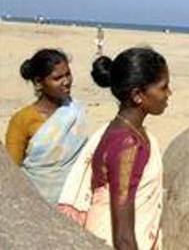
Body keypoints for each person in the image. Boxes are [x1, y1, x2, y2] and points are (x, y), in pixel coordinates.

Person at [58, 47, 170, 250]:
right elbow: (123, 236)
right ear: (138, 95)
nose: (168, 93)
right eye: (163, 87)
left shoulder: (123, 130)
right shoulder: (127, 144)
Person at [5, 48, 88, 204]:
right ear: (39, 82)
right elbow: (11, 170)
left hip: (74, 200)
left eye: (68, 74)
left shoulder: (75, 110)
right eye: (57, 78)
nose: (66, 81)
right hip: (35, 201)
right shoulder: (23, 119)